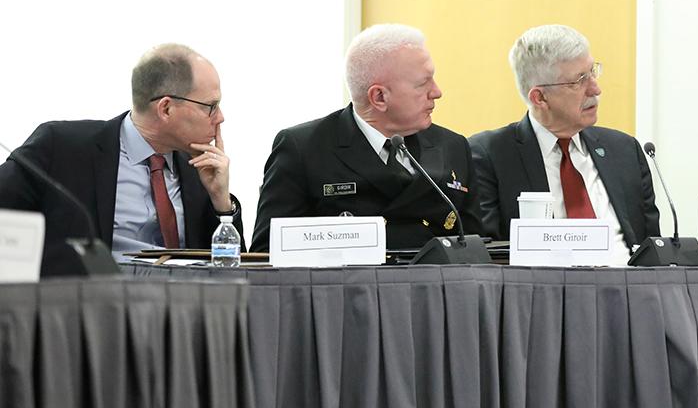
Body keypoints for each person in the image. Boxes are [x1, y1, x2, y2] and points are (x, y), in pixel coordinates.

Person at [0, 44, 240, 275]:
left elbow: (237, 274)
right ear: (166, 109)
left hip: (180, 309)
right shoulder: (61, 149)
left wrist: (221, 202)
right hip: (92, 306)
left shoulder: (201, 170)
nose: (220, 117)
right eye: (211, 106)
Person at [250, 24, 482, 252]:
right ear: (379, 97)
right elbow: (267, 252)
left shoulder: (453, 147)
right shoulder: (304, 148)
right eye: (423, 84)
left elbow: (478, 246)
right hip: (349, 287)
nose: (437, 92)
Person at [469, 24, 660, 263]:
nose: (595, 89)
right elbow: (490, 256)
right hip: (544, 295)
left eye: (592, 72)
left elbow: (652, 250)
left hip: (629, 292)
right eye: (579, 81)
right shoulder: (490, 156)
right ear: (539, 97)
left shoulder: (625, 150)